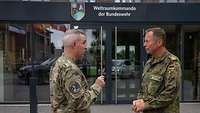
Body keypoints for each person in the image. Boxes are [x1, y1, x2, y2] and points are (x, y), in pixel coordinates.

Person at [50, 29, 105, 113]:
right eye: (83, 43)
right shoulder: (70, 69)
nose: (86, 47)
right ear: (74, 44)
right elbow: (81, 103)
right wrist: (97, 86)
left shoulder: (58, 63)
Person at [132, 27, 181, 113]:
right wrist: (139, 101)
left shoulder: (172, 62)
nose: (144, 44)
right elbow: (143, 88)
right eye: (144, 41)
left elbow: (170, 93)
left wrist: (146, 105)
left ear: (159, 42)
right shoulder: (149, 63)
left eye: (147, 41)